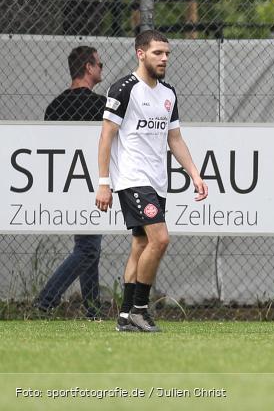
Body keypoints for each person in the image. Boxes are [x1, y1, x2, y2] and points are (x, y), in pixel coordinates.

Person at [95, 30, 208, 333]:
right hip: (132, 178)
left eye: (167, 53)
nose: (165, 58)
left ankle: (124, 315)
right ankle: (139, 311)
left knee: (141, 244)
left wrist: (195, 174)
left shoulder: (168, 93)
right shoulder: (124, 89)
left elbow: (175, 138)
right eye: (158, 53)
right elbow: (107, 135)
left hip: (158, 181)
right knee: (160, 239)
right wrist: (104, 182)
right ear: (140, 54)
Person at [35, 46, 107, 319]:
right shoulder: (100, 106)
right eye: (99, 63)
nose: (101, 68)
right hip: (92, 183)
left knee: (89, 247)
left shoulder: (54, 107)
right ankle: (46, 300)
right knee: (88, 248)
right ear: (88, 67)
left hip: (66, 184)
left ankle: (92, 309)